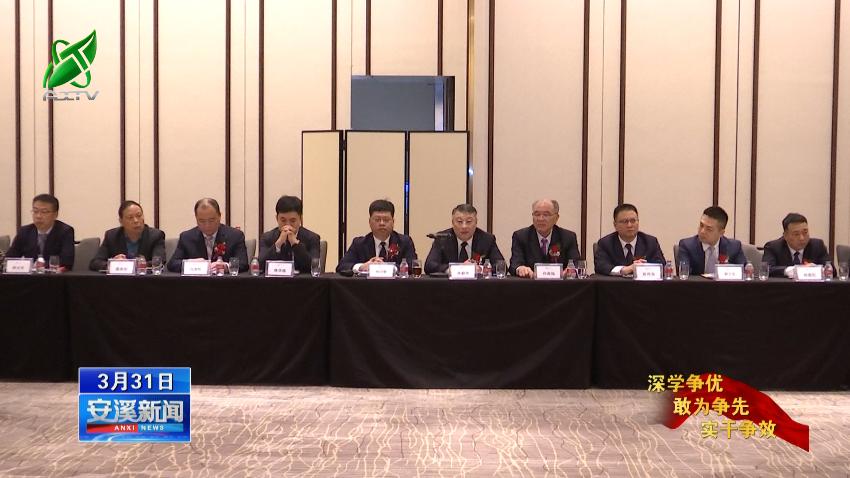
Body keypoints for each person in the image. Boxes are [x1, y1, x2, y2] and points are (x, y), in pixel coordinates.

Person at [166, 198, 249, 273]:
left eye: (211, 220)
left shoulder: (235, 236)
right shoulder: (186, 237)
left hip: (224, 283)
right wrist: (191, 263)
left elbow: (243, 263)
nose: (207, 225)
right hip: (196, 283)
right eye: (202, 221)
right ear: (196, 218)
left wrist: (226, 266)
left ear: (219, 216)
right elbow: (172, 264)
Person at [337, 199, 416, 275]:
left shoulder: (404, 242)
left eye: (386, 220)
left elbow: (412, 267)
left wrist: (388, 267)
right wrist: (362, 267)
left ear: (393, 222)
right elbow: (342, 266)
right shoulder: (359, 243)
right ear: (369, 222)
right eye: (377, 220)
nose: (382, 223)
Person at [424, 203, 504, 274]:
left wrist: (481, 269)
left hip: (478, 285)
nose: (464, 226)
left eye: (469, 222)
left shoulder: (487, 239)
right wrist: (458, 268)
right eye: (459, 221)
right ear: (452, 223)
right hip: (449, 285)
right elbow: (429, 266)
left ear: (476, 222)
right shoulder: (442, 238)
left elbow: (501, 265)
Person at [509, 199, 580, 278]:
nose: (540, 219)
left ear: (556, 218)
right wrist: (520, 268)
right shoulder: (521, 236)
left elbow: (576, 264)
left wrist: (570, 271)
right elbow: (514, 264)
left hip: (559, 284)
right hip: (530, 284)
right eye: (537, 214)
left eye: (546, 215)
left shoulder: (568, 237)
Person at [89, 200, 165, 271]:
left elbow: (159, 261)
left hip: (145, 279)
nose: (136, 220)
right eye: (130, 217)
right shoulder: (111, 236)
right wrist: (112, 263)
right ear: (121, 221)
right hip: (119, 279)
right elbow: (95, 262)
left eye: (139, 215)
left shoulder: (156, 236)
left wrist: (129, 264)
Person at [594, 203, 665, 276]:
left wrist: (643, 268)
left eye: (633, 221)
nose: (629, 225)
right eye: (625, 221)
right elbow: (601, 266)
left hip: (643, 283)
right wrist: (624, 270)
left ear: (638, 222)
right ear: (615, 225)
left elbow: (661, 265)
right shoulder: (605, 243)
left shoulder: (650, 242)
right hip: (615, 283)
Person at [7, 193, 75, 270]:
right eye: (35, 211)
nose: (38, 216)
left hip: (54, 276)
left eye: (44, 212)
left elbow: (67, 261)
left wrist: (39, 265)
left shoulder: (65, 231)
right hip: (30, 276)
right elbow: (10, 258)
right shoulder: (25, 231)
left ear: (55, 214)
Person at [258, 195, 321, 273]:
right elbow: (259, 267)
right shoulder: (267, 238)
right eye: (283, 220)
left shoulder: (312, 238)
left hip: (302, 280)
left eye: (292, 221)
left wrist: (295, 244)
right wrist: (278, 244)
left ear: (300, 219)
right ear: (277, 218)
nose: (288, 225)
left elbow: (314, 267)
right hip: (275, 280)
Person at [677, 206, 746, 276]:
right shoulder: (687, 246)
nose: (702, 231)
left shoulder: (734, 247)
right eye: (701, 225)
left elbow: (744, 274)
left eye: (709, 229)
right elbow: (684, 276)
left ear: (721, 233)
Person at [762, 213, 831, 278]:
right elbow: (766, 269)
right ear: (785, 236)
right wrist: (789, 270)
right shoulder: (773, 247)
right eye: (796, 234)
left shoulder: (818, 245)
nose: (802, 238)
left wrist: (818, 269)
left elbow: (832, 270)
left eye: (805, 232)